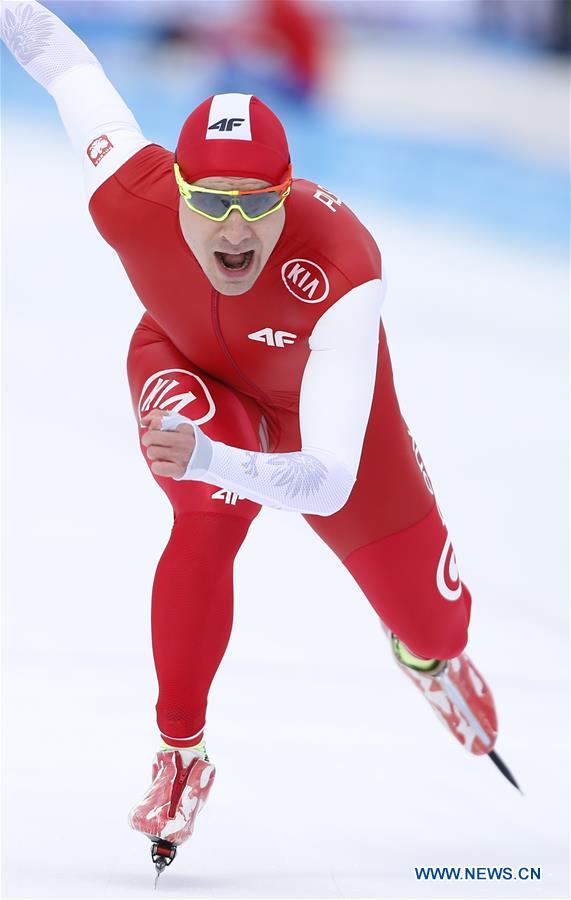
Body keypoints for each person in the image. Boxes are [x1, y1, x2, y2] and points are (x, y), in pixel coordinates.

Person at [1, 0, 516, 880]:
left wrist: (213, 457)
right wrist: (212, 465)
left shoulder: (346, 268)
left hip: (321, 416)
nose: (233, 230)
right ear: (176, 190)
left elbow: (326, 478)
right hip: (186, 363)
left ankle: (426, 656)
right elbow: (56, 55)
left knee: (435, 618)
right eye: (208, 202)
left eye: (257, 205)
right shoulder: (129, 193)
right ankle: (181, 752)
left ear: (288, 194)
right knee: (209, 511)